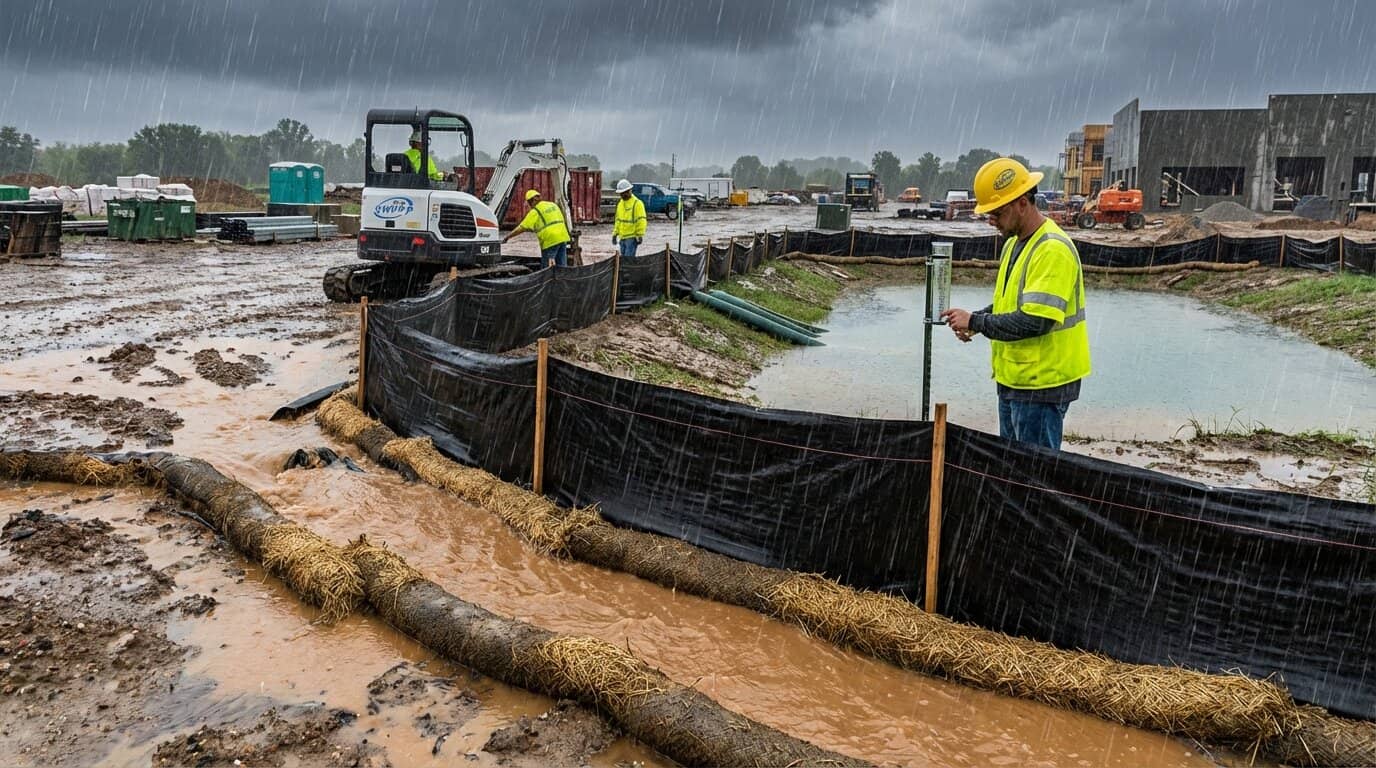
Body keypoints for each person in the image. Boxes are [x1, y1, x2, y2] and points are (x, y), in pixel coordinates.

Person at [939, 157, 1090, 450]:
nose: (991, 220)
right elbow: (1008, 304)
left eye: (997, 211)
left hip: (1042, 385)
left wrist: (976, 322)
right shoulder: (1014, 243)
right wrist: (977, 319)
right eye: (988, 213)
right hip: (1016, 382)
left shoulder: (1052, 250)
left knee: (1032, 478)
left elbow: (1036, 320)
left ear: (1023, 203)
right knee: (1013, 473)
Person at [503, 189, 571, 267]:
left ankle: (547, 278)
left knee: (547, 266)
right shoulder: (552, 205)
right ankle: (563, 278)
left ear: (530, 201)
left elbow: (521, 228)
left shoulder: (535, 211)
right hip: (563, 236)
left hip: (550, 240)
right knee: (561, 264)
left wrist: (507, 237)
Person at [611, 178, 646, 258]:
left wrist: (639, 235)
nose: (623, 195)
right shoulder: (620, 204)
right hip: (622, 237)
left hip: (632, 237)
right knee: (623, 260)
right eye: (621, 193)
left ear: (629, 191)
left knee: (628, 260)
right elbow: (618, 220)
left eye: (624, 193)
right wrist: (615, 233)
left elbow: (641, 221)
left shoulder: (637, 203)